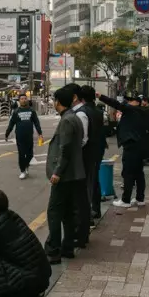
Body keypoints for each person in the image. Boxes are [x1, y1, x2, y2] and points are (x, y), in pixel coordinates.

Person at [44, 85, 86, 263]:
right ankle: (67, 247)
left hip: (65, 175)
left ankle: (53, 250)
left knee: (54, 212)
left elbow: (65, 149)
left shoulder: (67, 120)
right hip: (73, 174)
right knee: (68, 212)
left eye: (54, 100)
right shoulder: (74, 117)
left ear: (58, 102)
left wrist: (57, 172)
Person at [98, 93, 149, 208]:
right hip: (140, 145)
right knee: (139, 173)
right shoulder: (142, 111)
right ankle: (140, 198)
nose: (127, 102)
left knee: (128, 173)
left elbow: (116, 104)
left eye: (130, 100)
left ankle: (126, 200)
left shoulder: (131, 110)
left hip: (131, 145)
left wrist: (101, 96)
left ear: (136, 102)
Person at [67, 84, 92, 246]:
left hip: (81, 162)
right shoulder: (80, 112)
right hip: (82, 162)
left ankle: (81, 234)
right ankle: (81, 234)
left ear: (74, 97)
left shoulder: (80, 114)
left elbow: (82, 140)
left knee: (80, 200)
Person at [78, 86, 106, 224]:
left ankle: (88, 214)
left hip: (87, 151)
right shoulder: (98, 111)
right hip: (98, 149)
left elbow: (83, 138)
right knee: (94, 179)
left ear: (81, 97)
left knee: (87, 183)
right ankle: (96, 209)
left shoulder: (82, 112)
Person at [5, 94, 43, 180]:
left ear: (27, 100)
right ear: (19, 101)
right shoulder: (16, 111)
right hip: (20, 136)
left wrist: (40, 133)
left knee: (30, 154)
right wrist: (7, 134)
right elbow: (11, 124)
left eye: (25, 98)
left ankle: (26, 165)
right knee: (21, 154)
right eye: (22, 99)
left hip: (29, 136)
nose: (24, 100)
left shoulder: (32, 111)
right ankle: (22, 171)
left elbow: (36, 122)